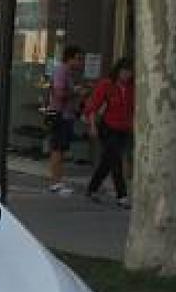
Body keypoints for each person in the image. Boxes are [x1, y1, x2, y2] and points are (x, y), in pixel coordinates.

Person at [83, 57, 134, 209]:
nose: (127, 75)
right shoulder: (107, 85)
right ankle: (122, 195)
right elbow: (92, 106)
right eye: (124, 71)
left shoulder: (133, 88)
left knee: (108, 161)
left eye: (129, 72)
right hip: (108, 127)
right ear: (118, 71)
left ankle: (92, 188)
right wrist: (92, 126)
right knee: (115, 159)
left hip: (124, 128)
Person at [47, 45, 86, 195]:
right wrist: (75, 91)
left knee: (61, 149)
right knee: (58, 148)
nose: (80, 62)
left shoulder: (67, 72)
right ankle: (55, 182)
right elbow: (58, 93)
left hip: (66, 115)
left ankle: (58, 180)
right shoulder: (61, 70)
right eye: (78, 59)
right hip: (60, 114)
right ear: (69, 58)